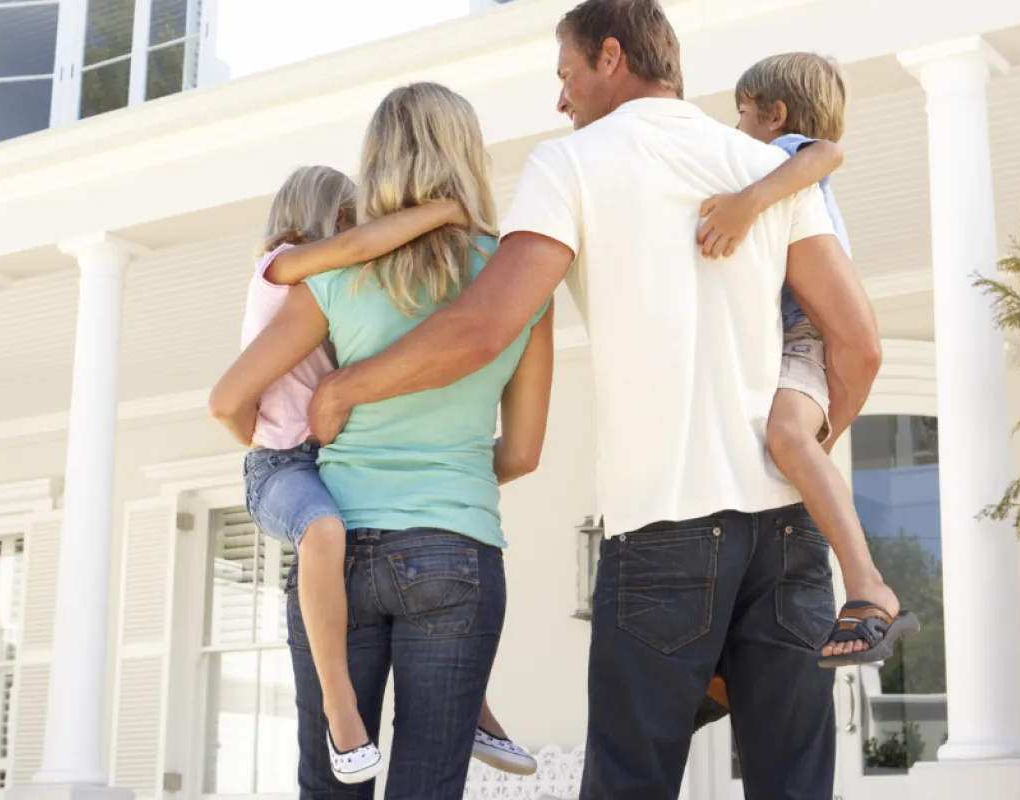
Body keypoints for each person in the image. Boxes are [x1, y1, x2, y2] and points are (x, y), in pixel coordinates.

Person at [305, 2, 882, 798]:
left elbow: (485, 325)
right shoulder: (758, 162)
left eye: (566, 73)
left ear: (612, 56)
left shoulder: (572, 163)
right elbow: (857, 345)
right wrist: (799, 451)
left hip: (662, 536)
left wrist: (345, 385)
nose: (561, 98)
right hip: (787, 540)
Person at [210, 82, 553, 798]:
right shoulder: (518, 280)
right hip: (455, 546)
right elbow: (521, 453)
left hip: (343, 549)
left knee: (333, 783)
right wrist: (449, 478)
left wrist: (275, 439)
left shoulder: (333, 278)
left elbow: (234, 394)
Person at [690, 53, 920, 732]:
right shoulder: (774, 166)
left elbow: (827, 154)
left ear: (776, 114)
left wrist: (746, 202)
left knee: (787, 437)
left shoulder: (785, 160)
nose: (736, 127)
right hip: (789, 343)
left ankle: (870, 587)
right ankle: (729, 668)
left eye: (742, 113)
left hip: (808, 338)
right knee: (764, 484)